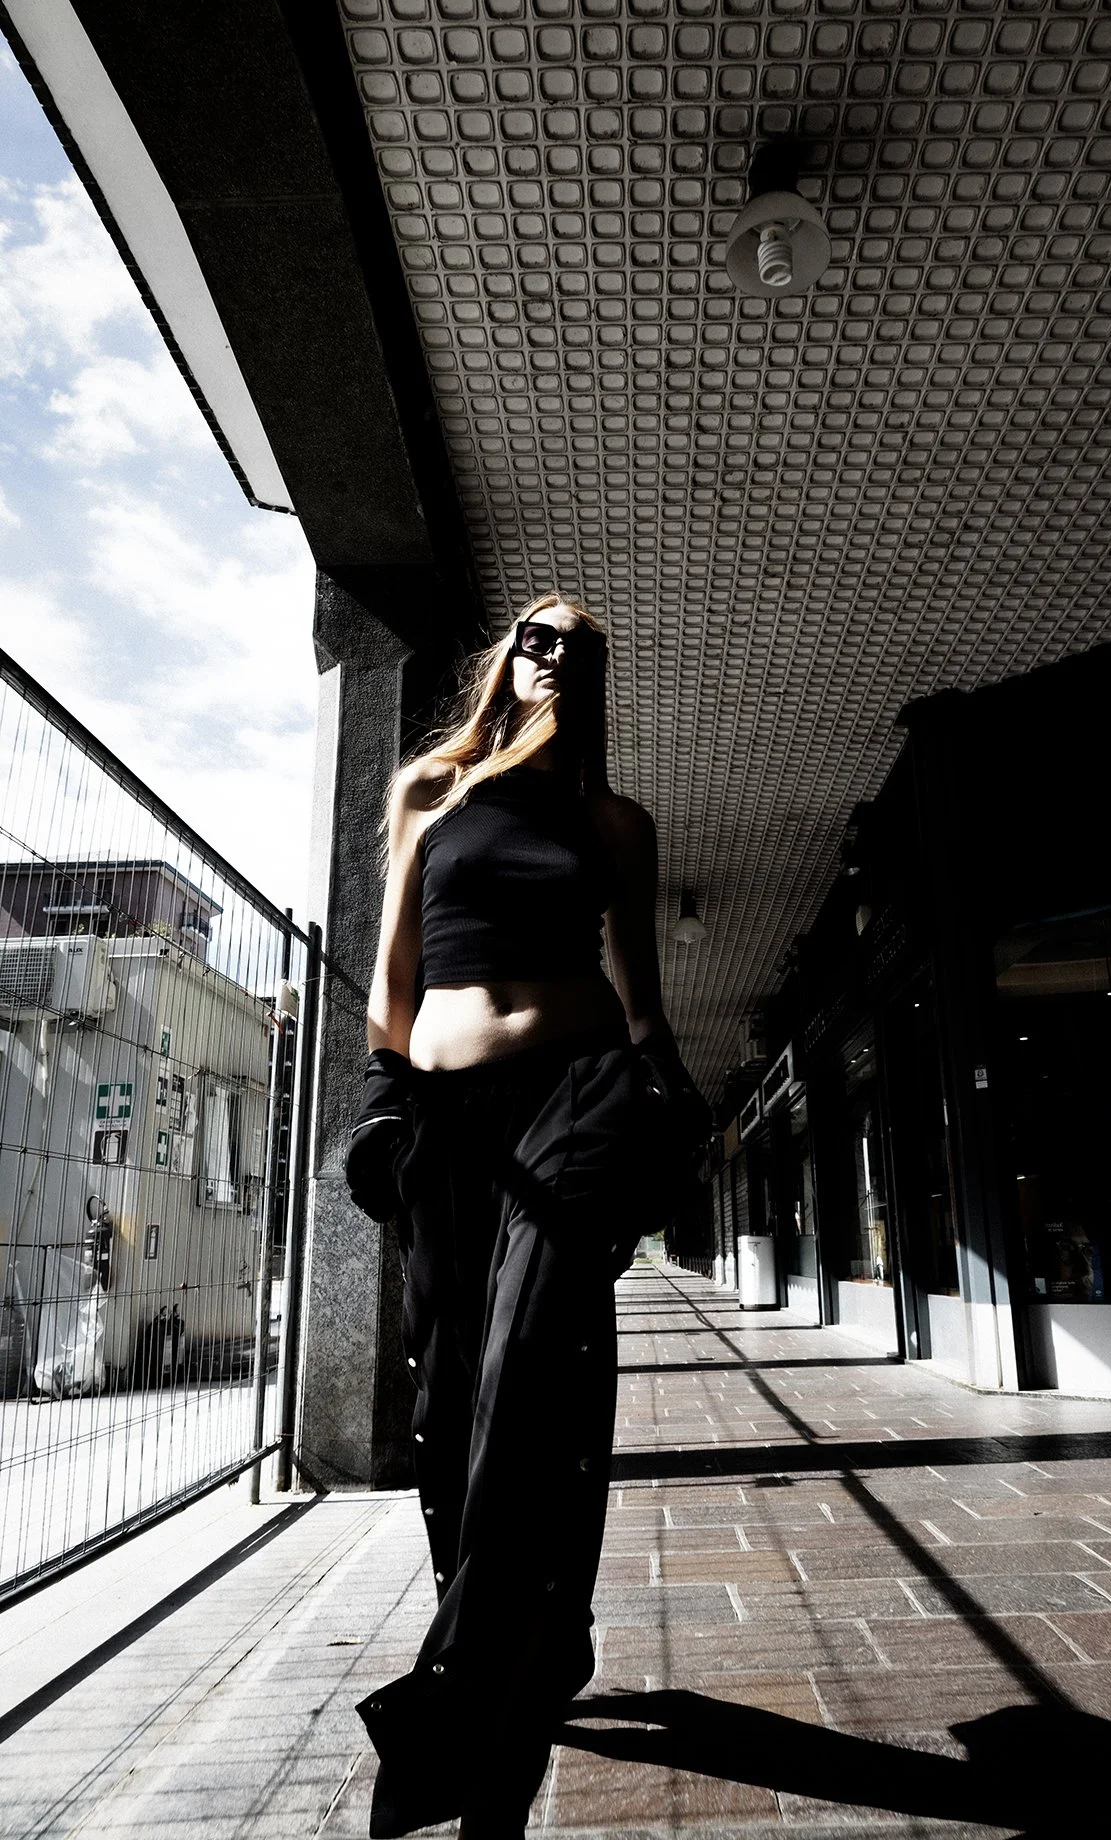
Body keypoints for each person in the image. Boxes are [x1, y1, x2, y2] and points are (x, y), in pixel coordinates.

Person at [344, 593, 709, 1839]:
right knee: (449, 1398)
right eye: (539, 633)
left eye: (585, 647)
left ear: (600, 679)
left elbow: (641, 1001)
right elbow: (392, 982)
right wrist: (381, 1107)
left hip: (580, 1093)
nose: (558, 654)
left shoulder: (617, 822)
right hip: (444, 1117)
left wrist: (678, 1101)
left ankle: (466, 1690)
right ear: (505, 657)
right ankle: (538, 1628)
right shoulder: (428, 793)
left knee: (527, 1360)